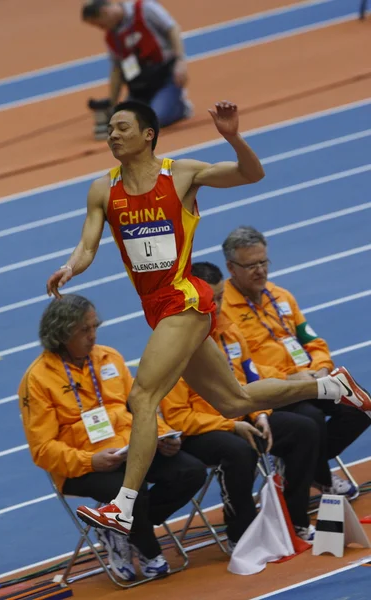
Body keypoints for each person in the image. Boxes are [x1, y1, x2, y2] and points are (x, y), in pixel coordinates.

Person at [45, 99, 371, 537]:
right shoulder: (103, 189)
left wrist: (233, 137)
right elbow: (88, 244)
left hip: (185, 298)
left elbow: (252, 175)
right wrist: (70, 267)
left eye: (123, 128)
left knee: (142, 398)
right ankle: (332, 386)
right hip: (156, 307)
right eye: (111, 130)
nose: (113, 135)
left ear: (148, 135)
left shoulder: (181, 175)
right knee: (235, 401)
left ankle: (123, 505)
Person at [18, 294, 207, 580]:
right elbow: (42, 449)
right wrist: (90, 460)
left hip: (129, 450)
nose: (93, 336)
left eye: (95, 327)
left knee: (190, 471)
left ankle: (115, 527)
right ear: (60, 332)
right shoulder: (37, 379)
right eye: (84, 330)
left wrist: (164, 434)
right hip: (82, 466)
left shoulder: (110, 357)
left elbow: (140, 405)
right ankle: (149, 549)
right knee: (131, 489)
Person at [161, 261, 321, 550]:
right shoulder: (172, 347)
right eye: (212, 300)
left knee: (304, 429)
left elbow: (252, 381)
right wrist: (231, 425)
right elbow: (177, 417)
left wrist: (260, 414)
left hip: (241, 416)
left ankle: (295, 518)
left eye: (221, 297)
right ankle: (242, 534)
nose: (218, 306)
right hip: (202, 431)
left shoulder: (230, 333)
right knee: (239, 450)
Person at [221, 225, 371, 496]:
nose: (260, 271)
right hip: (272, 391)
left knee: (360, 405)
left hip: (310, 380)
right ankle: (318, 476)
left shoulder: (281, 296)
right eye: (251, 265)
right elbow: (242, 367)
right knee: (310, 420)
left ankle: (307, 467)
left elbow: (312, 341)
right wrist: (288, 378)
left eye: (263, 262)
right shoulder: (223, 311)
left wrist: (320, 368)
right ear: (231, 268)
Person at [81, 0, 192, 139]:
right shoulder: (111, 36)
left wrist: (180, 61)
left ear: (105, 12)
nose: (101, 29)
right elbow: (117, 69)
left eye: (100, 24)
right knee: (125, 123)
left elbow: (172, 28)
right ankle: (152, 104)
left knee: (156, 119)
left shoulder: (145, 8)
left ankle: (181, 106)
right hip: (139, 88)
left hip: (165, 78)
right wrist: (113, 103)